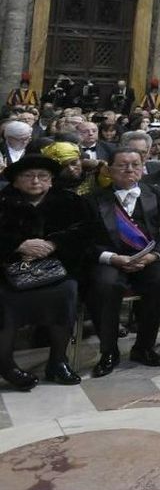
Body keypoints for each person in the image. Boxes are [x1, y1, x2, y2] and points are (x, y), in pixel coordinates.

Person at [0, 154, 88, 389]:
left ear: (51, 180)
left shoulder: (70, 201)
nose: (36, 181)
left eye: (42, 176)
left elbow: (85, 232)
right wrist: (17, 245)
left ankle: (58, 361)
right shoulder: (4, 201)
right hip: (9, 270)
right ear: (15, 181)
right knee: (5, 300)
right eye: (28, 176)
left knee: (66, 291)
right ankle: (6, 365)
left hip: (57, 268)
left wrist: (54, 244)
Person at [85, 148, 160, 376]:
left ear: (143, 168)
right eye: (123, 165)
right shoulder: (92, 199)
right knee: (105, 285)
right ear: (109, 169)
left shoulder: (159, 194)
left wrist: (154, 256)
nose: (130, 169)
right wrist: (112, 258)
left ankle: (144, 347)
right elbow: (85, 239)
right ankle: (109, 351)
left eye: (135, 164)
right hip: (111, 259)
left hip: (148, 257)